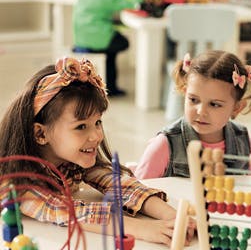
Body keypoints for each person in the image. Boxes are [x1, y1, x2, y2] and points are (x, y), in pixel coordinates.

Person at [0, 57, 195, 246]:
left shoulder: (70, 158)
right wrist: (145, 229)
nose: (96, 135)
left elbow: (117, 182)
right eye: (81, 126)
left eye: (98, 122)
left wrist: (173, 216)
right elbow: (65, 211)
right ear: (40, 133)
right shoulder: (17, 183)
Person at [134, 50, 251, 179]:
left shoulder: (242, 139)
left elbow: (245, 185)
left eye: (214, 104)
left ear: (236, 108)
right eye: (193, 100)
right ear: (184, 92)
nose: (201, 111)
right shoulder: (165, 144)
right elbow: (136, 194)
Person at [72, 0, 142, 96]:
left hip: (80, 39)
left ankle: (110, 86)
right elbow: (135, 4)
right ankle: (111, 87)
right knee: (121, 43)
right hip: (99, 38)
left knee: (110, 52)